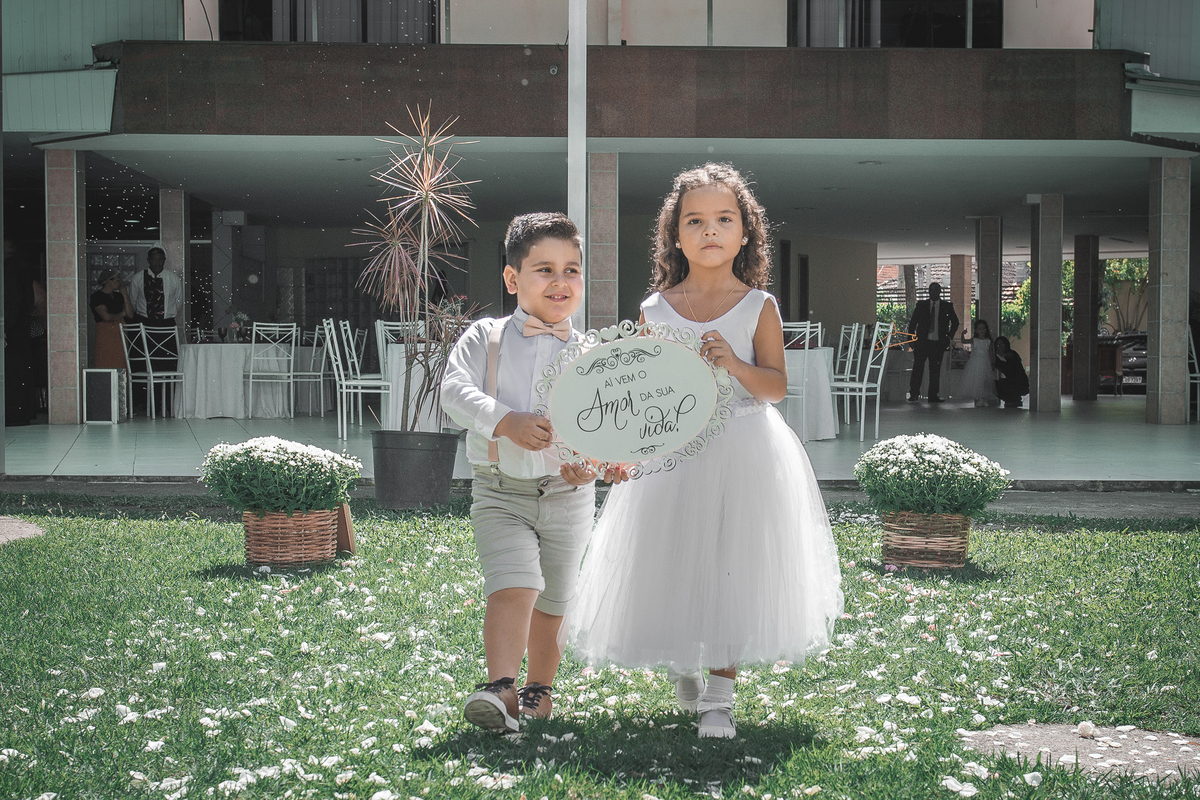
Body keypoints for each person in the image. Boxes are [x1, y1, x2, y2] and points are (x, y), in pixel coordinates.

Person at [571, 164, 844, 739]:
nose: (710, 230)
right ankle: (682, 662)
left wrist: (733, 363)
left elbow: (774, 387)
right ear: (675, 235)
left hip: (745, 446)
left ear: (746, 233)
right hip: (675, 453)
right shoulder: (655, 309)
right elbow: (642, 393)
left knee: (733, 565)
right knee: (673, 557)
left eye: (725, 219)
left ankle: (720, 694)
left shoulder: (758, 306)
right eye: (695, 221)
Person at [440, 212, 621, 733]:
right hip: (500, 491)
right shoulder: (487, 337)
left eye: (572, 270)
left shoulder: (592, 354)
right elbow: (453, 391)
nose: (560, 282)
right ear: (512, 278)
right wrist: (505, 421)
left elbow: (603, 422)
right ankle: (500, 686)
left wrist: (596, 464)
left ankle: (538, 690)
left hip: (567, 496)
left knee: (556, 596)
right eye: (544, 270)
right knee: (513, 584)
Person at [907, 281, 959, 402]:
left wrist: (948, 337)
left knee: (935, 370)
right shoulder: (921, 305)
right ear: (929, 292)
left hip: (938, 343)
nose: (934, 292)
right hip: (922, 343)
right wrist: (911, 339)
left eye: (936, 290)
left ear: (940, 291)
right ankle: (914, 393)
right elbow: (913, 323)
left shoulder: (947, 306)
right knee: (917, 368)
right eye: (931, 290)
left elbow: (955, 322)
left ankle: (933, 395)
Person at [127, 244, 184, 330]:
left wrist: (168, 313)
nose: (157, 262)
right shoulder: (138, 278)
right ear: (148, 260)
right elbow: (133, 300)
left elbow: (178, 301)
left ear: (164, 260)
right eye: (154, 259)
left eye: (160, 259)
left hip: (167, 323)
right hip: (144, 322)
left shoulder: (173, 278)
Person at [91, 270, 133, 370]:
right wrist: (121, 314)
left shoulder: (118, 296)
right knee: (106, 361)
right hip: (106, 333)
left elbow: (130, 314)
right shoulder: (97, 296)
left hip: (119, 333)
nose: (119, 282)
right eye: (117, 279)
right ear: (108, 281)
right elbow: (106, 317)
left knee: (121, 361)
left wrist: (125, 295)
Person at [956, 319, 998, 407]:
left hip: (985, 362)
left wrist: (992, 363)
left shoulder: (988, 341)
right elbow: (964, 341)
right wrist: (962, 334)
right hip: (975, 362)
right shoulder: (974, 340)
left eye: (983, 328)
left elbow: (991, 353)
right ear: (976, 330)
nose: (981, 330)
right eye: (979, 328)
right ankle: (978, 398)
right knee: (976, 380)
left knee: (984, 380)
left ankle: (983, 398)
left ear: (986, 329)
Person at [993, 336, 1029, 408]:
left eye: (1002, 344)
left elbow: (1012, 368)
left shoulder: (1012, 354)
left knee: (1001, 384)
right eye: (998, 345)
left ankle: (1014, 399)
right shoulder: (997, 358)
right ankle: (1011, 399)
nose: (1000, 347)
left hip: (1019, 382)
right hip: (1011, 382)